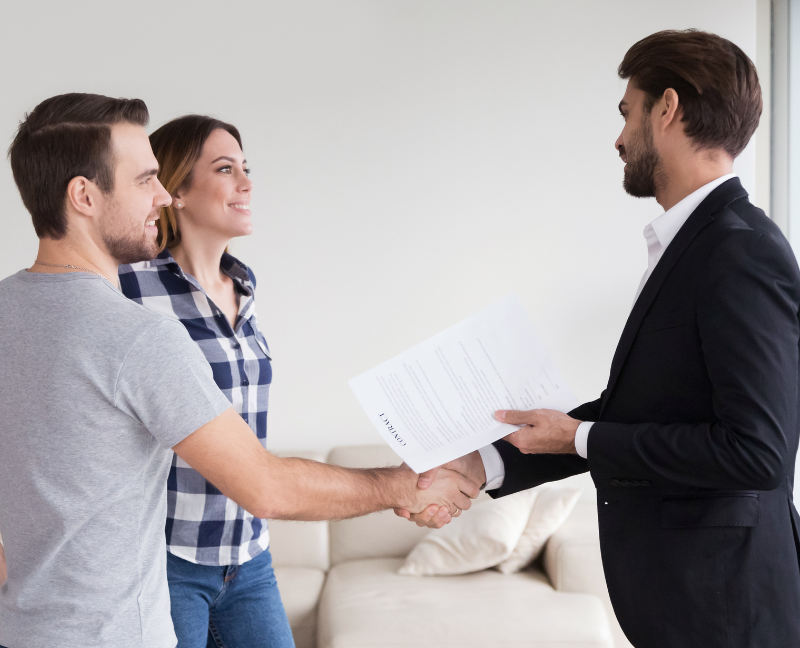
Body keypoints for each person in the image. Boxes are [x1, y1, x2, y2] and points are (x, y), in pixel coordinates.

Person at [0, 93, 479, 648]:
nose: (162, 195)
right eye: (144, 180)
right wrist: (403, 484)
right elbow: (266, 486)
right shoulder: (138, 333)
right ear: (83, 195)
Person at [400, 29, 800, 648]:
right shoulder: (696, 244)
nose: (618, 138)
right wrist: (481, 464)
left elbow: (758, 452)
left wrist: (582, 436)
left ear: (667, 108)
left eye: (627, 112)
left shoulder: (739, 249)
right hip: (692, 606)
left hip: (726, 611)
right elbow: (640, 413)